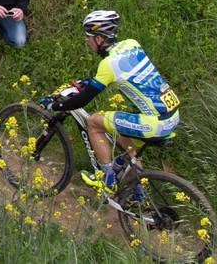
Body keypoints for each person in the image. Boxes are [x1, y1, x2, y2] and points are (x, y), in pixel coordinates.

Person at [38, 10, 181, 192]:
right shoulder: (132, 44)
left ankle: (108, 181)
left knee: (94, 122)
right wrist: (84, 83)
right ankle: (137, 195)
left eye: (88, 36)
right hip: (172, 115)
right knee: (126, 145)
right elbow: (111, 76)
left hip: (156, 123)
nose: (86, 40)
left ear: (99, 39)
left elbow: (81, 101)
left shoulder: (108, 64)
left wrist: (55, 105)